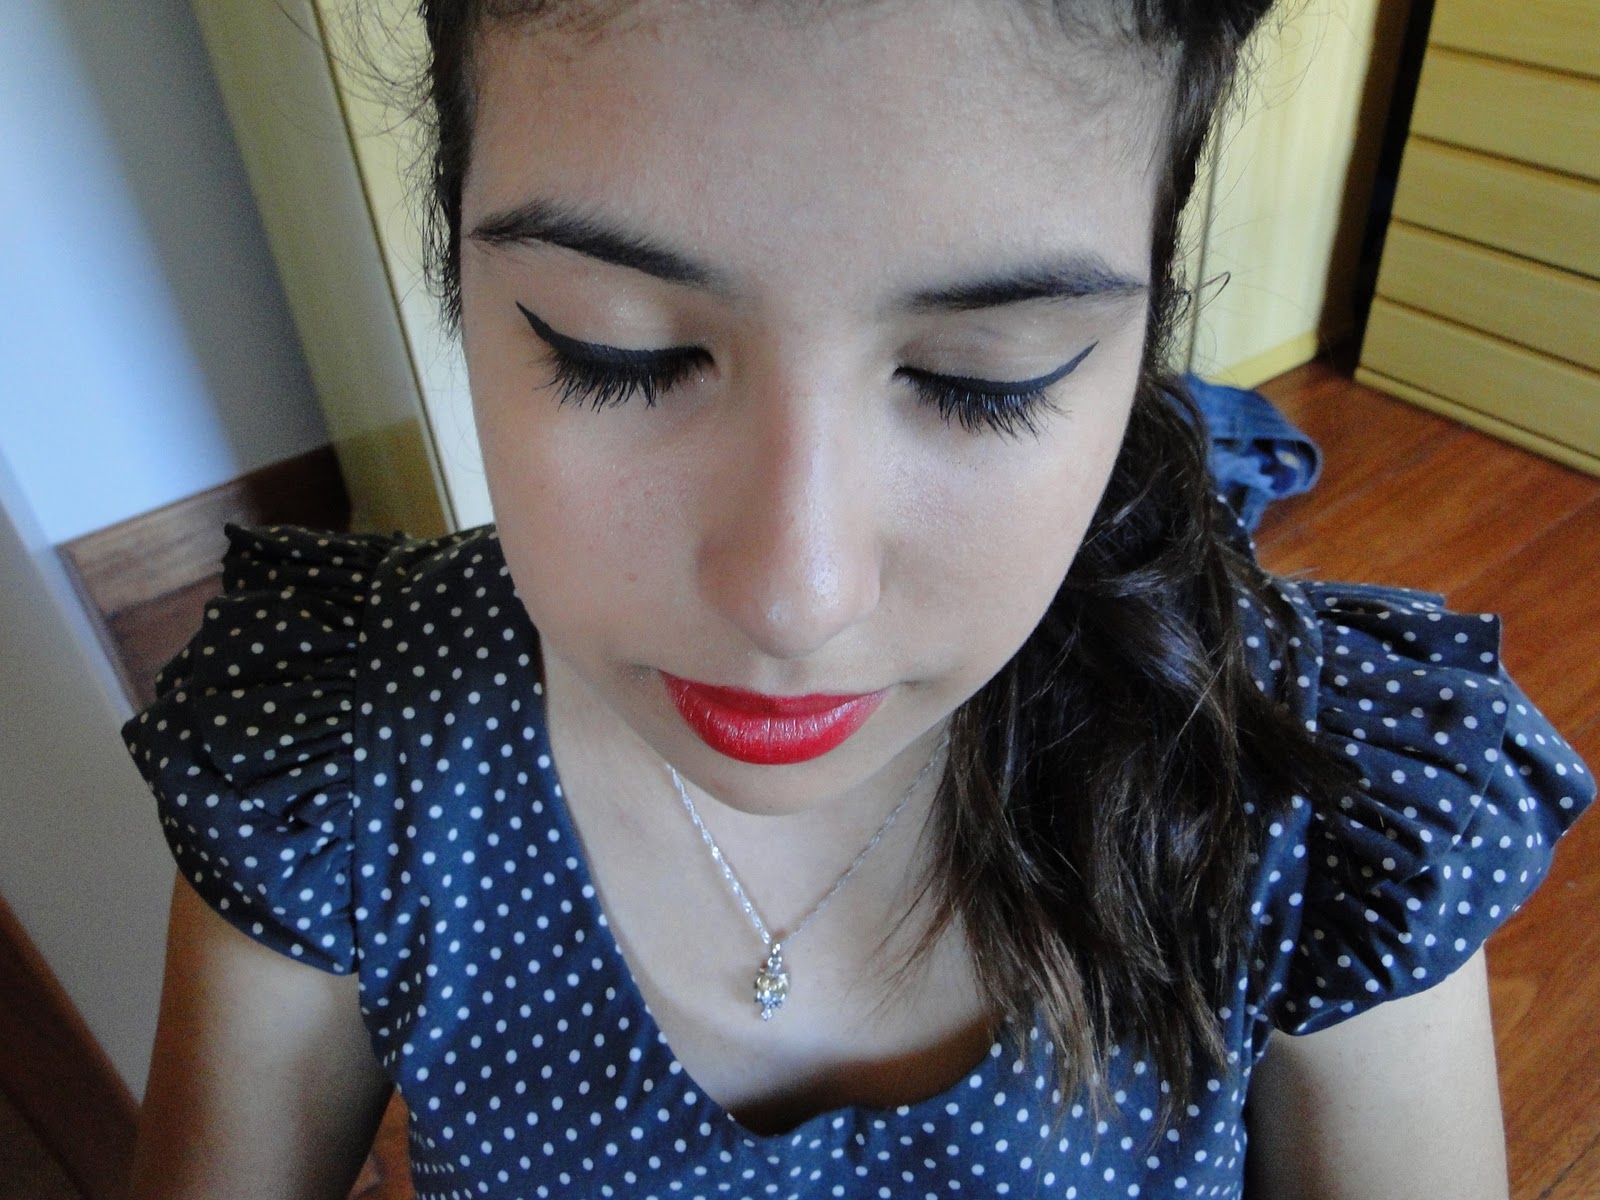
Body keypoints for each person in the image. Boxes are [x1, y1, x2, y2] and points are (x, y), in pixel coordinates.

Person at [122, 1, 1594, 1197]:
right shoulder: (344, 749)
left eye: (981, 380)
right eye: (616, 351)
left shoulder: (1310, 789)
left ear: (1149, 323)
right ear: (458, 262)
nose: (794, 598)